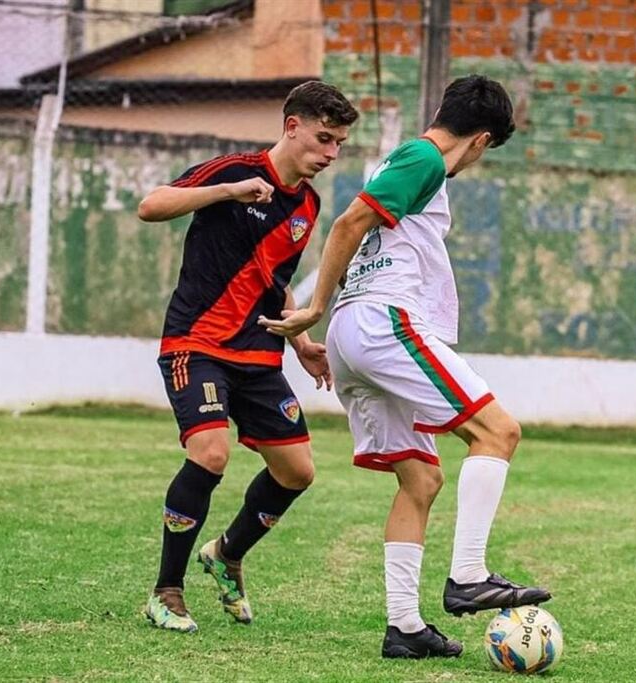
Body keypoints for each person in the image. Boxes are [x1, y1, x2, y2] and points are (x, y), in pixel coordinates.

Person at [260, 75, 550, 658]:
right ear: (481, 140)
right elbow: (347, 225)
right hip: (382, 323)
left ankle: (405, 628)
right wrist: (314, 307)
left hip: (357, 331)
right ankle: (468, 575)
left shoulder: (407, 162)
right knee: (499, 431)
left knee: (420, 478)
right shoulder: (424, 158)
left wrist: (327, 318)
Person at [137, 81, 358, 633]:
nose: (331, 154)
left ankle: (227, 554)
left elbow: (272, 280)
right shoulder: (232, 169)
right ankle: (167, 591)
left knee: (297, 471)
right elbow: (151, 205)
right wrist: (226, 193)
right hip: (197, 343)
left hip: (258, 354)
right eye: (324, 138)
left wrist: (301, 342)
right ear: (291, 127)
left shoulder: (307, 204)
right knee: (211, 455)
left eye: (339, 145)